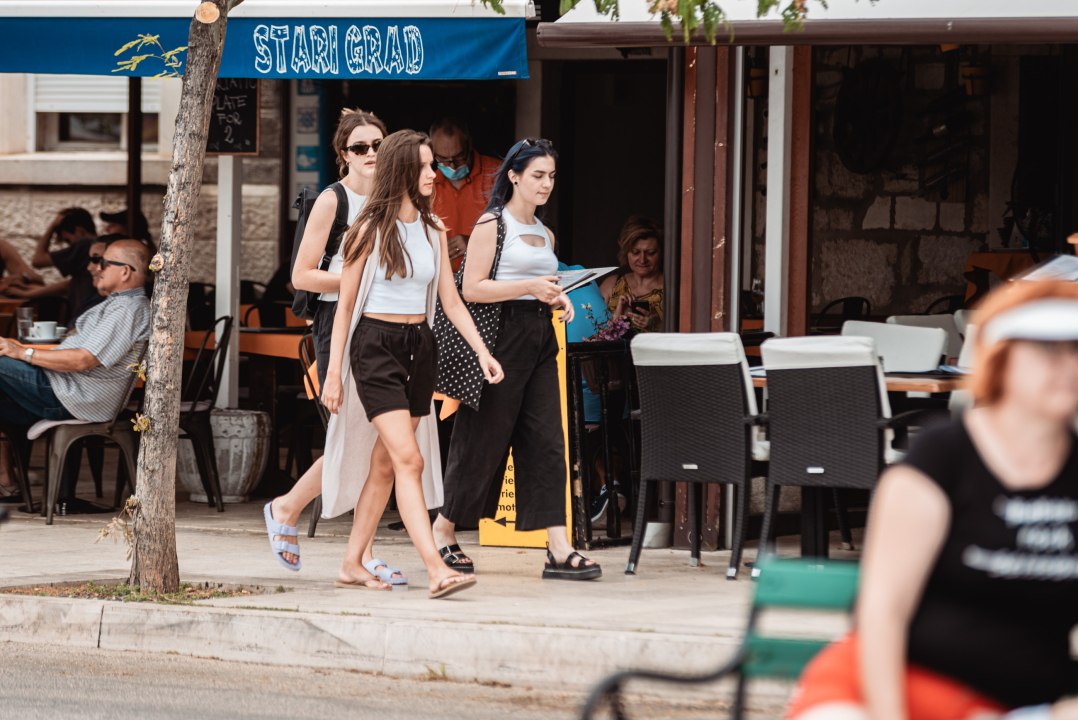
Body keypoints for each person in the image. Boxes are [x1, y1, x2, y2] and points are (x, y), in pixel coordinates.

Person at [787, 281, 1078, 720]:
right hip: (897, 684)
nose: (1068, 366)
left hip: (1019, 703)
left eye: (1077, 349)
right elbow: (883, 614)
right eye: (1047, 350)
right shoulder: (945, 458)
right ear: (1002, 359)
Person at [318, 129, 502, 598]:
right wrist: (334, 372)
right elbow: (344, 306)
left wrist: (483, 352)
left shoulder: (432, 228)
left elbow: (452, 302)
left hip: (421, 345)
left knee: (385, 464)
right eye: (424, 166)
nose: (433, 173)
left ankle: (351, 563)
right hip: (376, 346)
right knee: (409, 458)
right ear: (402, 171)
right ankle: (436, 568)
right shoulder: (366, 229)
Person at [431, 137, 601, 581]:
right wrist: (528, 288)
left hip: (540, 335)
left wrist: (557, 297)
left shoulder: (546, 233)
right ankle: (444, 530)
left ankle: (559, 548)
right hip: (499, 335)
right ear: (514, 176)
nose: (546, 184)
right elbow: (472, 289)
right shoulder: (493, 225)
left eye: (550, 176)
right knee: (484, 438)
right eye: (537, 176)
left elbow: (544, 280)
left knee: (548, 439)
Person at [264, 108, 405, 582]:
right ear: (343, 155)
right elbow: (301, 275)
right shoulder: (333, 200)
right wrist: (355, 279)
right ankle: (296, 514)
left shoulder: (393, 198)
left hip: (384, 324)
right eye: (360, 148)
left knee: (380, 442)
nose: (371, 154)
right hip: (336, 321)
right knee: (359, 439)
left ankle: (352, 548)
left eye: (378, 145)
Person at [0, 239, 150, 426]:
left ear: (125, 271)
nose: (94, 269)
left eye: (103, 263)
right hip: (67, 389)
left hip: (76, 396)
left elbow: (83, 360)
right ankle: (11, 455)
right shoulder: (119, 305)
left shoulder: (127, 309)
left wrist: (22, 352)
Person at [429, 117, 500, 272]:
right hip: (443, 280)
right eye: (443, 159)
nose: (452, 166)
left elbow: (518, 234)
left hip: (491, 278)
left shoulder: (497, 175)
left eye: (458, 157)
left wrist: (474, 242)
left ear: (469, 144)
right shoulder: (428, 184)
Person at [599, 215, 664, 334]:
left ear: (662, 252)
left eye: (650, 253)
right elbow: (592, 333)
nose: (642, 260)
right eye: (635, 253)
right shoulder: (611, 284)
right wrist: (617, 320)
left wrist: (658, 326)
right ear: (626, 253)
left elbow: (687, 336)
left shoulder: (673, 289)